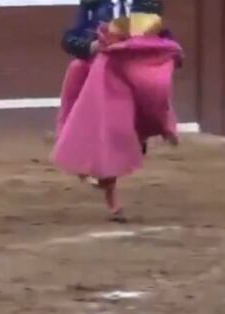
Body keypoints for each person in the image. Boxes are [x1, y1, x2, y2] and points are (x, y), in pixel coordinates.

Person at [54, 0, 182, 222]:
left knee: (152, 90)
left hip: (132, 70)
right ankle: (111, 194)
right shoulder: (93, 3)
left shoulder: (148, 2)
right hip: (101, 72)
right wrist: (89, 47)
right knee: (109, 125)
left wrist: (167, 50)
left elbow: (159, 35)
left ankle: (160, 123)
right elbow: (70, 37)